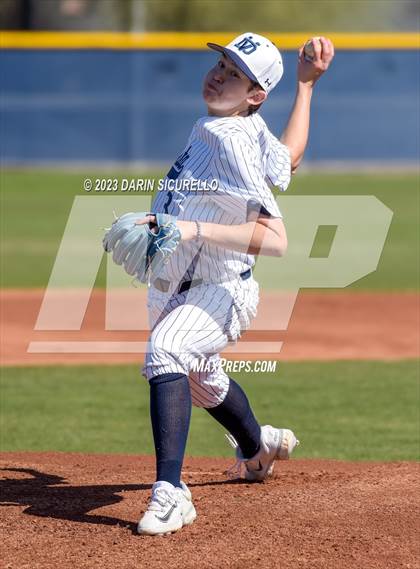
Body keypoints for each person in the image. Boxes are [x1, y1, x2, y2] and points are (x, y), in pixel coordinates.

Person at [136, 32, 334, 536]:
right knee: (203, 383)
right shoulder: (243, 125)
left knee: (167, 351)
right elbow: (286, 161)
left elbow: (275, 238)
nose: (218, 73)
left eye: (233, 73)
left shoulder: (229, 137)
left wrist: (190, 228)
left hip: (218, 288)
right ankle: (257, 447)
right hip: (174, 283)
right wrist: (307, 87)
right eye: (221, 62)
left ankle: (171, 492)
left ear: (254, 95)